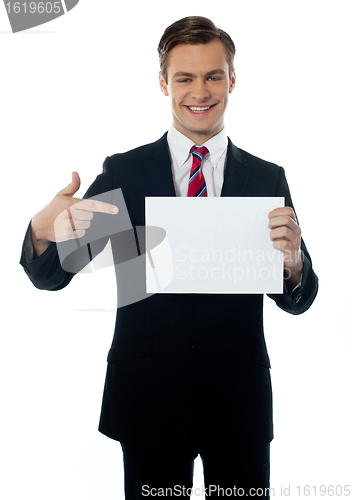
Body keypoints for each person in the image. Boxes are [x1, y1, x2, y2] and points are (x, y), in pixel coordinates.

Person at [20, 16, 318, 500]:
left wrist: (294, 266)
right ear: (163, 83)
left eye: (212, 76)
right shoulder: (128, 174)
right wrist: (41, 229)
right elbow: (54, 274)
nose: (199, 91)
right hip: (148, 398)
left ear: (232, 80)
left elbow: (299, 298)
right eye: (184, 77)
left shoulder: (266, 178)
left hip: (237, 401)